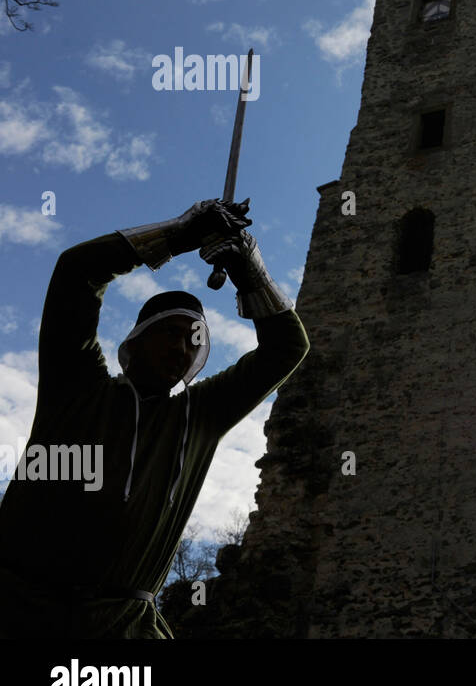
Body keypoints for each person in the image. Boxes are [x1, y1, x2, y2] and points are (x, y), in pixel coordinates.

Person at [0, 198, 309, 638]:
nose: (182, 347)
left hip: (124, 628)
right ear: (137, 340)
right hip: (18, 612)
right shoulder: (76, 388)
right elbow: (77, 271)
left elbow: (287, 349)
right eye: (170, 331)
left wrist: (247, 266)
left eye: (194, 340)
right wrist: (182, 232)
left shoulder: (199, 416)